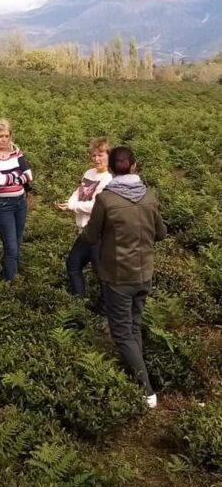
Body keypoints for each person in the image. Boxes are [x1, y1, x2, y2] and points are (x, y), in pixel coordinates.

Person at [82, 145, 167, 408]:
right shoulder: (149, 195)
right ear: (133, 166)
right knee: (133, 323)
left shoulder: (106, 200)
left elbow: (91, 236)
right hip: (144, 274)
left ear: (112, 169)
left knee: (121, 332)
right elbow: (161, 233)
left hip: (118, 277)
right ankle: (137, 370)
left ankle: (147, 390)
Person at [56, 136, 112, 305]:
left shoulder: (109, 179)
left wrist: (73, 206)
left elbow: (97, 206)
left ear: (109, 155)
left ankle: (106, 311)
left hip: (99, 233)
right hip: (85, 231)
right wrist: (70, 202)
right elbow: (79, 191)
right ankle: (79, 303)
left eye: (101, 155)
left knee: (101, 273)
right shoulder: (89, 173)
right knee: (73, 264)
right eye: (94, 155)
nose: (97, 159)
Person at [0, 119, 33, 282]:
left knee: (17, 242)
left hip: (20, 202)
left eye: (7, 136)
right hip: (2, 206)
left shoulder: (15, 151)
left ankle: (14, 277)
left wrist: (11, 178)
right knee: (10, 245)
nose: (4, 139)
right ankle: (11, 282)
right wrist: (18, 177)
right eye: (0, 136)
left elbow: (29, 175)